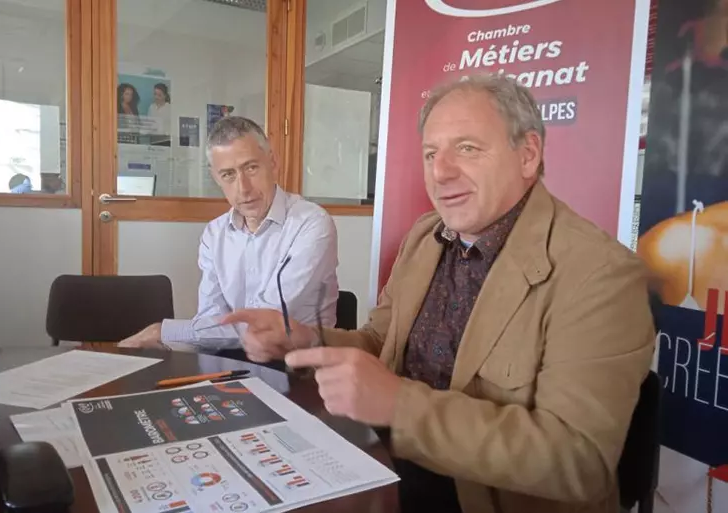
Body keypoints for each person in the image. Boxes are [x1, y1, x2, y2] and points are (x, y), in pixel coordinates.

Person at [219, 75, 655, 513]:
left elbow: (578, 462)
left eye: (467, 148)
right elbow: (377, 342)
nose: (441, 172)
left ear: (528, 154)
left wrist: (398, 404)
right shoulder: (426, 236)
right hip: (381, 466)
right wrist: (308, 339)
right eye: (431, 153)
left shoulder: (599, 274)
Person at [118, 116, 339, 355]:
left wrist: (163, 332)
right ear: (216, 178)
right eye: (228, 175)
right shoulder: (215, 234)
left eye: (251, 168)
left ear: (273, 163)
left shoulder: (311, 224)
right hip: (230, 359)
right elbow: (210, 320)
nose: (243, 188)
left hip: (302, 367)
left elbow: (265, 323)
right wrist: (170, 340)